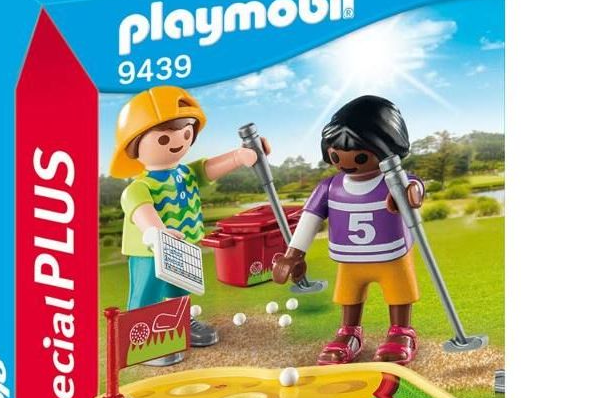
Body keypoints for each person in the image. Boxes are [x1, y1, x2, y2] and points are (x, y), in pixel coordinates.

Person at [110, 85, 268, 365]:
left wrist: (239, 156)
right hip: (149, 252)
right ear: (134, 145)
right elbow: (142, 212)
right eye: (164, 138)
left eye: (185, 134)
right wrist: (156, 234)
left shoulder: (185, 173)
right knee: (146, 293)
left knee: (178, 288)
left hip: (181, 245)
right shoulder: (138, 187)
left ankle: (179, 323)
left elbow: (208, 168)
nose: (178, 142)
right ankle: (140, 342)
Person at [273, 95, 423, 365]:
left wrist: (410, 194)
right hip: (350, 259)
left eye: (360, 156)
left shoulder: (393, 180)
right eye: (336, 155)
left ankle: (401, 331)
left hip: (391, 255)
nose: (346, 162)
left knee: (399, 291)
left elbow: (415, 187)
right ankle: (349, 333)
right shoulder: (330, 187)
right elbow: (310, 218)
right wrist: (294, 254)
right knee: (349, 295)